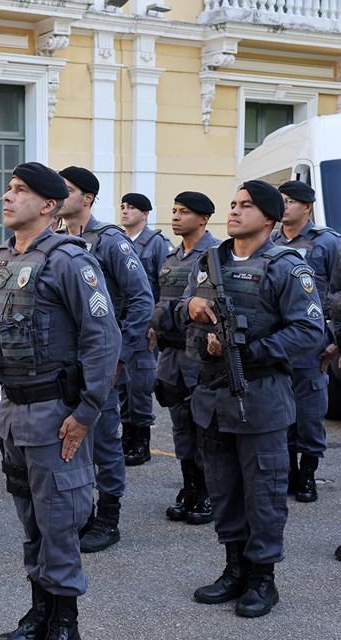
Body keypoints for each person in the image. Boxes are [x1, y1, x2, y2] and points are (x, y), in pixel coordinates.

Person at [0, 162, 120, 640]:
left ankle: (65, 623)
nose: (7, 197)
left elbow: (103, 339)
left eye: (21, 191)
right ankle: (38, 614)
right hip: (13, 410)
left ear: (49, 206)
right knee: (31, 521)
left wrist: (86, 413)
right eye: (8, 188)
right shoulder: (4, 261)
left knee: (59, 522)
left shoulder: (70, 261)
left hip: (56, 414)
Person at [180, 180, 323, 618]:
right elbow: (184, 304)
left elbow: (308, 331)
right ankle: (234, 568)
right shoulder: (211, 261)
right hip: (213, 397)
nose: (236, 212)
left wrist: (246, 351)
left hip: (260, 397)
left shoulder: (286, 267)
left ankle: (263, 578)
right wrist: (190, 309)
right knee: (223, 489)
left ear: (269, 217)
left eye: (246, 206)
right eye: (233, 204)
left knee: (263, 491)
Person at [56, 167, 155, 553]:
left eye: (68, 190)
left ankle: (108, 516)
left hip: (101, 362)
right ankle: (78, 511)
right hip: (65, 364)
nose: (60, 196)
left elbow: (140, 299)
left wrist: (119, 356)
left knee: (104, 443)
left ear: (87, 198)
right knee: (69, 439)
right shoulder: (57, 241)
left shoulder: (110, 240)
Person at [150, 192, 219, 525]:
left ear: (203, 219)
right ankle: (189, 486)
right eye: (174, 210)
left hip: (198, 354)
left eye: (185, 212)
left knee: (202, 424)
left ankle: (208, 492)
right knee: (180, 425)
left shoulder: (216, 256)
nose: (176, 217)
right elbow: (161, 300)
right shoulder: (172, 257)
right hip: (171, 352)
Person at [270, 180, 341, 502]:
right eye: (280, 200)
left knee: (310, 414)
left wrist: (336, 340)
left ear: (307, 207)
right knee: (279, 411)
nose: (283, 206)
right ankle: (289, 473)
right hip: (278, 342)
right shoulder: (269, 241)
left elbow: (337, 295)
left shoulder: (328, 243)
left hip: (313, 345)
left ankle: (308, 475)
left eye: (290, 201)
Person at [119, 192, 171, 466]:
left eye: (132, 208)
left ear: (145, 213)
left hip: (144, 324)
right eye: (123, 207)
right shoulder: (119, 242)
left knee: (139, 384)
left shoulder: (156, 244)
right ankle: (127, 436)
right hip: (122, 324)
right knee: (122, 384)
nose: (125, 212)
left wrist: (156, 324)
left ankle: (140, 441)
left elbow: (165, 286)